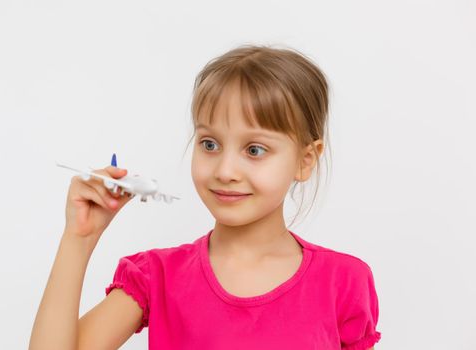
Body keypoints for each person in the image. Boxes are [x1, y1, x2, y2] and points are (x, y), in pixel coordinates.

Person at [29, 44, 382, 350]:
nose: (225, 170)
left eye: (255, 149)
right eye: (209, 144)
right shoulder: (157, 277)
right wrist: (79, 238)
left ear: (305, 160)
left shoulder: (344, 281)